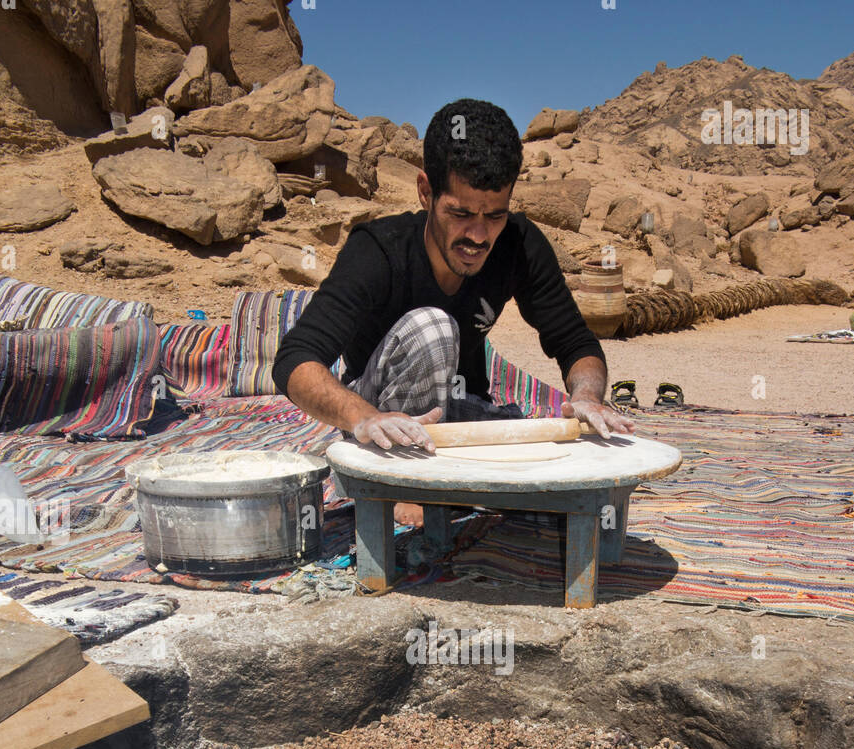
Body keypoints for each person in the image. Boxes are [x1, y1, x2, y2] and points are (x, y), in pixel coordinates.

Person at [271, 99, 632, 526]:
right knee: (432, 328)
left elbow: (574, 341)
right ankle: (405, 488)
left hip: (457, 413)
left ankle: (454, 491)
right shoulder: (377, 250)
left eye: (494, 216)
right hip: (381, 426)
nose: (478, 236)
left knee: (566, 465)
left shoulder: (519, 244)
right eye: (460, 213)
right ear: (426, 191)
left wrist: (588, 397)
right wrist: (362, 417)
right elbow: (295, 360)